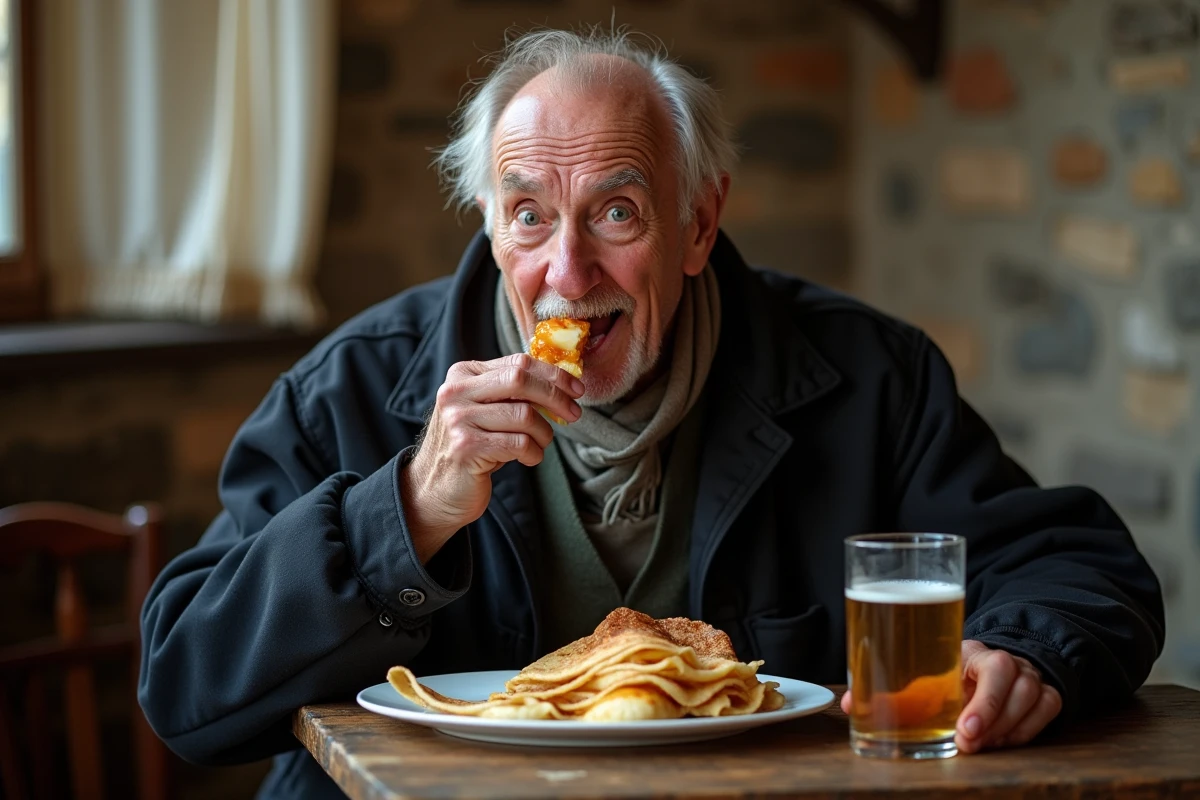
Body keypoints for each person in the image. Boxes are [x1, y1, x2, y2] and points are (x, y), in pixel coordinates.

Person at [138, 28, 1164, 799]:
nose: (566, 272)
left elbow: (1078, 564)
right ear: (491, 225)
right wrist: (403, 509)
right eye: (528, 213)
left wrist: (1023, 650)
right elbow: (186, 688)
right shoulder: (353, 387)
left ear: (697, 224)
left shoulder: (864, 376)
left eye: (617, 211)